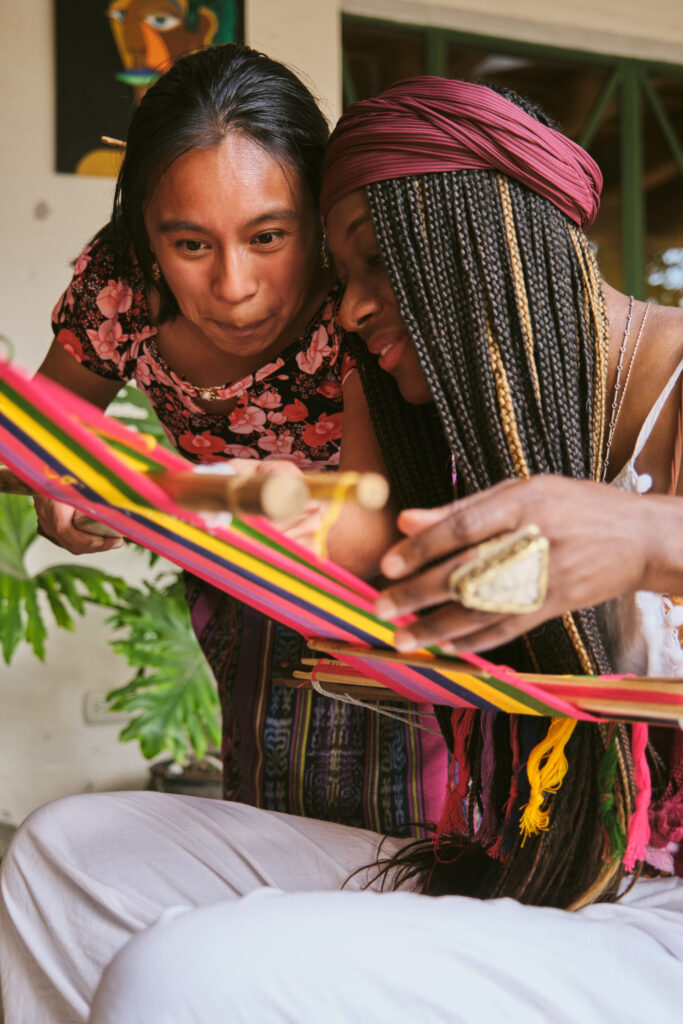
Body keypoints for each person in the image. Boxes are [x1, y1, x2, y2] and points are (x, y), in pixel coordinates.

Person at [2, 77, 682, 1022]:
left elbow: (351, 523)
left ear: (478, 241)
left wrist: (648, 537)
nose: (351, 312)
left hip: (659, 909)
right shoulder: (479, 427)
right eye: (191, 243)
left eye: (371, 267)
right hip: (534, 860)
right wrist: (133, 492)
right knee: (62, 855)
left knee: (183, 974)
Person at [36, 42, 447, 836]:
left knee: (410, 829)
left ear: (319, 219)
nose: (232, 286)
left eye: (268, 237)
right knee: (270, 808)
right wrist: (58, 477)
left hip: (390, 580)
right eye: (191, 244)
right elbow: (46, 431)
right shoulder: (120, 286)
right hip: (242, 581)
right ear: (146, 235)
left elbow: (361, 531)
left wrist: (168, 498)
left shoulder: (355, 297)